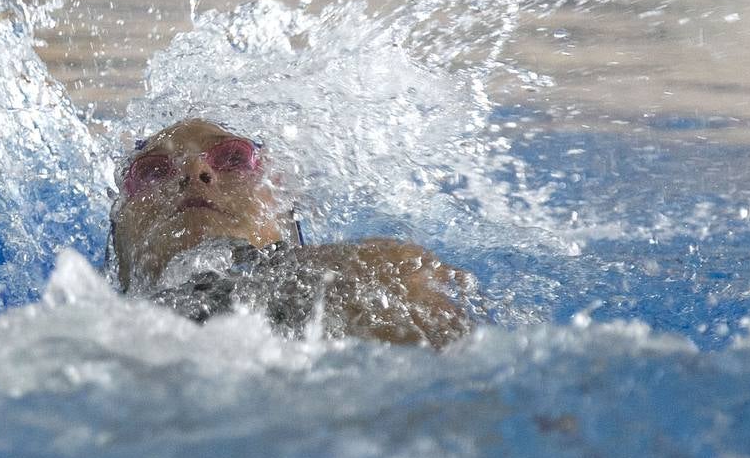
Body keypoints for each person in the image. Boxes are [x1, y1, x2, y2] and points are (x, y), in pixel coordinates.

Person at [107, 118, 475, 347]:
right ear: (119, 252)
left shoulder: (377, 271)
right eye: (153, 173)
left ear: (282, 208)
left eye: (233, 159)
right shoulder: (92, 330)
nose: (194, 171)